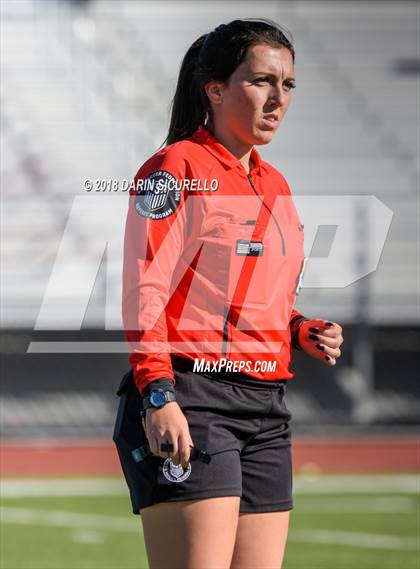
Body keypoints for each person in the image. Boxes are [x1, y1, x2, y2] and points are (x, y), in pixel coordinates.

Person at [114, 18, 344, 569]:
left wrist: (298, 328)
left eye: (287, 85)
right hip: (192, 398)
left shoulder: (276, 184)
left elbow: (250, 299)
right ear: (215, 89)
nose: (277, 98)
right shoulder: (174, 170)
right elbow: (145, 288)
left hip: (267, 409)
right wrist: (158, 395)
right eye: (261, 81)